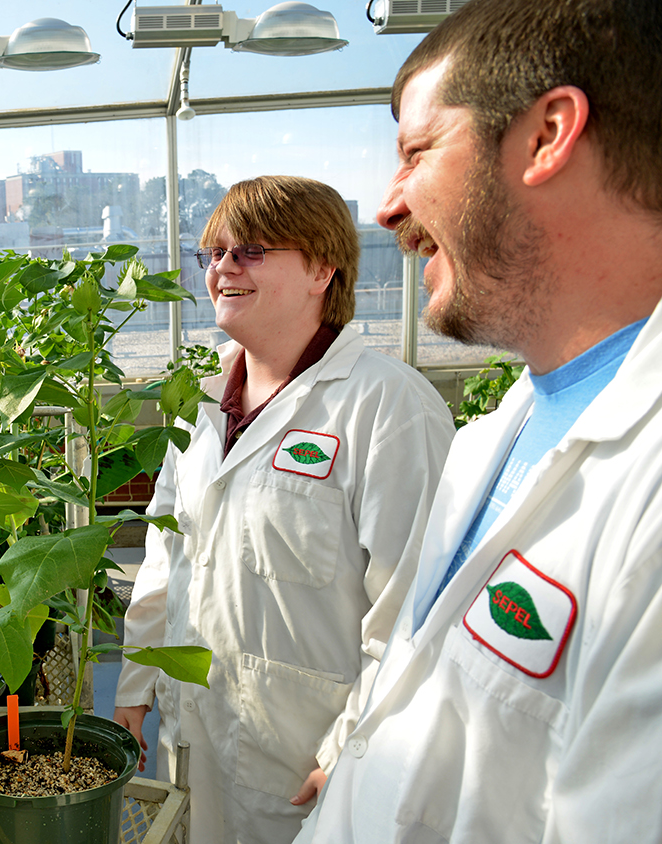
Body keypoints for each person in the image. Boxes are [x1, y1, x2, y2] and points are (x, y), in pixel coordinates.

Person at [294, 1, 662, 841]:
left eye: (417, 151)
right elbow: (415, 668)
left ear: (547, 135)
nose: (388, 209)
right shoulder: (498, 432)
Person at [113, 176, 455, 844]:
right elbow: (164, 551)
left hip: (309, 762)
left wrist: (355, 743)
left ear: (323, 268)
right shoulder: (202, 398)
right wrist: (135, 682)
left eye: (250, 252)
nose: (222, 269)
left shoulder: (387, 409)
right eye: (213, 253)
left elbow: (416, 612)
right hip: (194, 738)